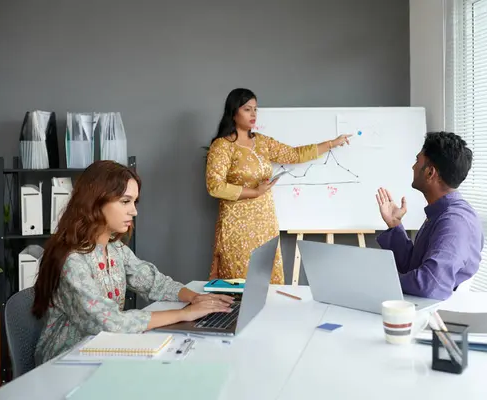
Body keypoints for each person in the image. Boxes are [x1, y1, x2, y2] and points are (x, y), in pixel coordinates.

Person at [32, 160, 234, 365]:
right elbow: (110, 322)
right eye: (125, 201)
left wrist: (196, 298)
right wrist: (185, 314)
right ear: (95, 201)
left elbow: (154, 282)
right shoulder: (73, 261)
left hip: (104, 349)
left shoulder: (115, 249)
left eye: (134, 202)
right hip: (65, 360)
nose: (134, 211)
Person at [205, 88, 351, 284]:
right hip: (236, 224)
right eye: (247, 109)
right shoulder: (222, 146)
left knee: (267, 280)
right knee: (239, 281)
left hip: (265, 222)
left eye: (256, 109)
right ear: (233, 112)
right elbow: (215, 186)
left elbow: (294, 155)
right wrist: (255, 191)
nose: (253, 114)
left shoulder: (262, 142)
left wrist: (332, 143)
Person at [375, 131, 484, 300]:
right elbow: (411, 266)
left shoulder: (455, 222)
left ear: (430, 172)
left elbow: (430, 283)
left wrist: (379, 282)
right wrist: (395, 224)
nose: (413, 167)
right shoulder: (440, 213)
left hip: (436, 314)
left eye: (417, 161)